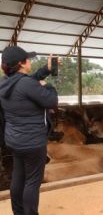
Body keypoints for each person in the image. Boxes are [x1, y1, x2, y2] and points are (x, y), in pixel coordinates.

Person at [0, 46, 58, 215]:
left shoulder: (5, 82)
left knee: (18, 176)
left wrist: (46, 70)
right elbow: (51, 101)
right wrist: (48, 86)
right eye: (28, 59)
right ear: (21, 63)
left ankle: (18, 212)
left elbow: (26, 82)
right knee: (32, 181)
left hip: (14, 141)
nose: (30, 61)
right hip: (33, 142)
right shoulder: (27, 84)